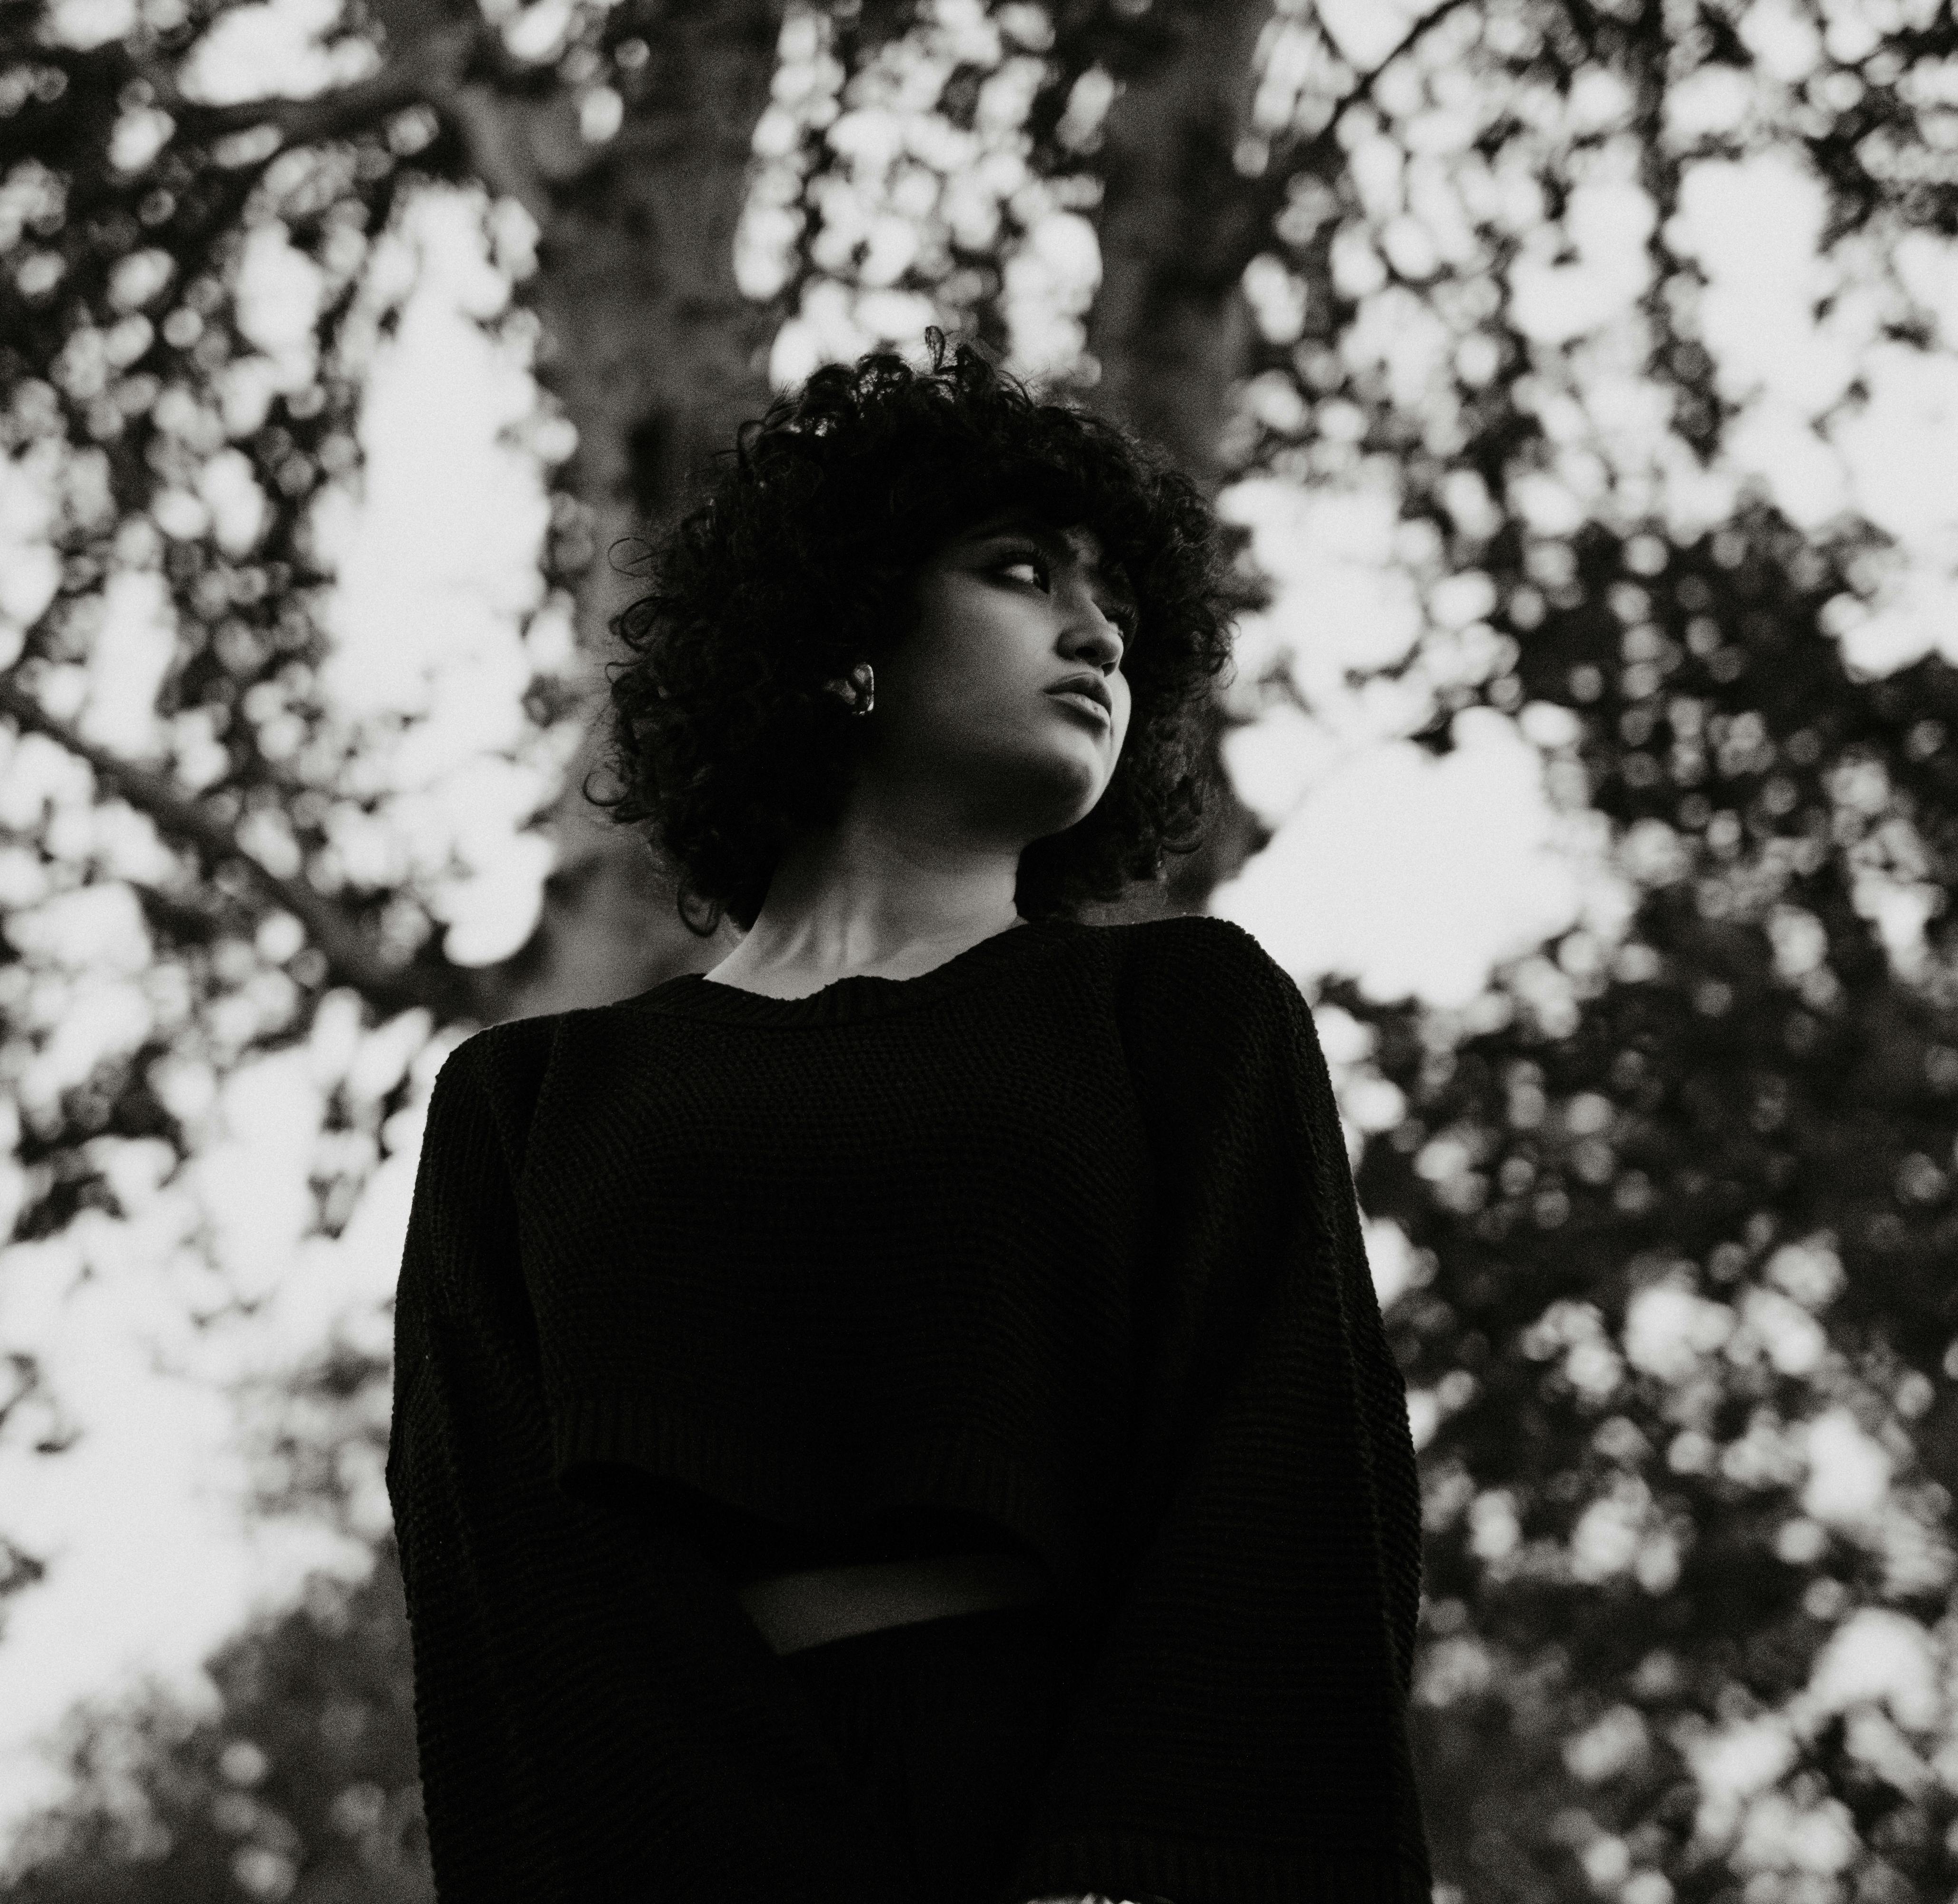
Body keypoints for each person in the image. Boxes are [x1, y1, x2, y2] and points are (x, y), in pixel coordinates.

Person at [386, 337, 1430, 1904]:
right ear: (845, 627)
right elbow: (509, 1594)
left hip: (1099, 1841)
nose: (1095, 635)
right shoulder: (527, 1112)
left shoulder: (1191, 1020)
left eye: (1123, 616)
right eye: (1019, 572)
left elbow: (1289, 1494)